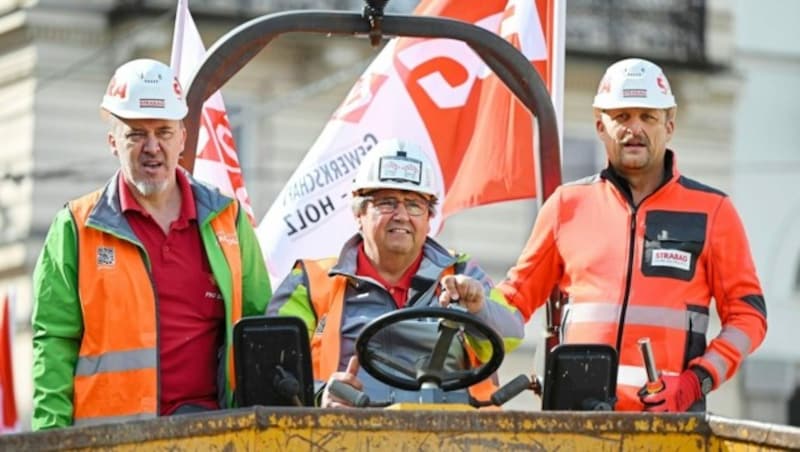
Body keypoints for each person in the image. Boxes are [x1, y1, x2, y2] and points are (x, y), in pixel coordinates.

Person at [497, 58, 767, 412]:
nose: (634, 128)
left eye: (647, 117)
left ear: (669, 125)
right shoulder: (566, 205)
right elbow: (514, 300)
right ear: (600, 125)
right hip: (577, 424)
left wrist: (695, 381)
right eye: (621, 116)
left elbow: (748, 318)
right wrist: (474, 315)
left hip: (668, 428)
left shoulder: (713, 211)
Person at [31, 59, 271, 430]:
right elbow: (54, 343)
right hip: (111, 440)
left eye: (163, 131)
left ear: (183, 139)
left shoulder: (228, 219)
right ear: (113, 142)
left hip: (213, 435)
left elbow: (260, 326)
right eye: (136, 134)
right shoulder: (76, 227)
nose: (152, 147)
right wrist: (49, 438)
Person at [267, 138, 525, 407]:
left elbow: (512, 337)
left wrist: (479, 309)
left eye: (414, 204)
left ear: (428, 219)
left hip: (454, 438)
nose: (401, 215)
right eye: (387, 202)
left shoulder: (462, 274)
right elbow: (272, 366)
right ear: (359, 213)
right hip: (346, 437)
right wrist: (321, 395)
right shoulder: (311, 282)